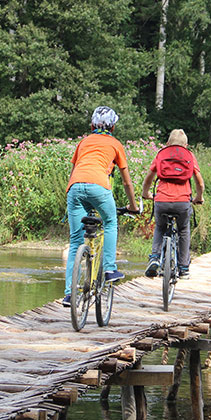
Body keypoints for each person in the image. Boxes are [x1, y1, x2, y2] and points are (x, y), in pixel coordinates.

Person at [65, 106, 140, 307]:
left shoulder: (83, 142)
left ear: (91, 125)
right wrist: (133, 206)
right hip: (99, 186)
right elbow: (126, 182)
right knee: (110, 222)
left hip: (75, 188)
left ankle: (68, 294)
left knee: (75, 242)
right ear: (113, 127)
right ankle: (109, 268)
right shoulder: (115, 144)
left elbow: (74, 171)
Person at [142, 129, 205, 280]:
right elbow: (199, 182)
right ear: (186, 145)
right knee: (183, 230)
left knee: (160, 227)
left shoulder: (161, 154)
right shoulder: (189, 156)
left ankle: (155, 258)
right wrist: (198, 197)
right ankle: (183, 268)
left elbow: (148, 178)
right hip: (182, 202)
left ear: (168, 143)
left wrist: (146, 193)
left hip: (161, 200)